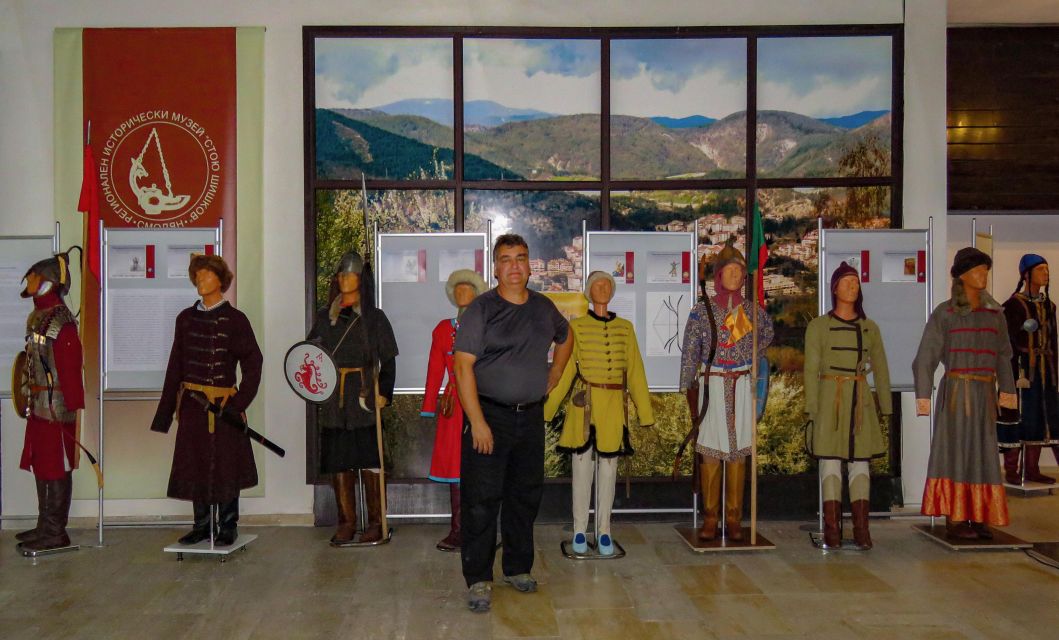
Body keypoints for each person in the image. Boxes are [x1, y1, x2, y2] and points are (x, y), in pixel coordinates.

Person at [454, 234, 572, 613]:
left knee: (524, 496)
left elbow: (566, 337)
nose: (514, 266)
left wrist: (555, 373)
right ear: (495, 268)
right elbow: (462, 367)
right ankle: (478, 577)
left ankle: (518, 567)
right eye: (506, 259)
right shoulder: (481, 309)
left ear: (530, 265)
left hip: (530, 417)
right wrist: (477, 422)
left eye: (520, 258)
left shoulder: (543, 307)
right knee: (481, 501)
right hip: (489, 416)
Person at [151, 255, 263, 546]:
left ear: (221, 280)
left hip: (225, 407)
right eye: (197, 275)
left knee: (227, 466)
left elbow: (254, 363)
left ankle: (228, 525)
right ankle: (201, 525)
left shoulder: (236, 320)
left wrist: (238, 403)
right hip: (193, 407)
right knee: (195, 464)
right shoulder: (185, 319)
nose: (201, 280)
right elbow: (175, 366)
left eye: (207, 275)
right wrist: (165, 413)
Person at [545, 270, 653, 556]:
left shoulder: (625, 329)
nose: (603, 289)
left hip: (613, 406)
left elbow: (635, 371)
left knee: (608, 469)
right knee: (581, 468)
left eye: (607, 285)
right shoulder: (576, 327)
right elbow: (565, 370)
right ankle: (580, 529)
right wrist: (547, 408)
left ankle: (604, 530)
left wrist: (645, 412)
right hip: (583, 405)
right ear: (589, 292)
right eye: (597, 285)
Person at [914, 247, 1017, 540]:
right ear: (962, 276)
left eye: (985, 270)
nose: (983, 276)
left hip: (985, 395)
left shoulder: (995, 315)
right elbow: (925, 358)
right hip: (957, 395)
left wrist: (1007, 394)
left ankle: (980, 514)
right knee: (954, 452)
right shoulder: (945, 313)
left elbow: (1004, 356)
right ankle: (956, 516)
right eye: (977, 271)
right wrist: (923, 396)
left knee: (984, 454)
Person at [679, 240, 773, 542]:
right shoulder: (701, 311)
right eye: (729, 270)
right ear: (719, 275)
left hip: (742, 386)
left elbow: (766, 337)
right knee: (709, 452)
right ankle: (710, 517)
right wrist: (687, 385)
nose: (734, 275)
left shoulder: (753, 312)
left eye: (739, 271)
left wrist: (750, 358)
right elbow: (690, 351)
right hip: (713, 386)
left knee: (737, 453)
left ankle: (733, 518)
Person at [307, 251, 397, 546]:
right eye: (341, 274)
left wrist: (384, 393)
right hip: (335, 399)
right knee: (339, 462)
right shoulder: (325, 317)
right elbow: (311, 353)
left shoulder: (375, 318)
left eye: (350, 274)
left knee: (371, 460)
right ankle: (346, 523)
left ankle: (376, 522)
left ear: (361, 279)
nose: (344, 279)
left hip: (363, 396)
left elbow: (388, 360)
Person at [804, 262, 891, 549]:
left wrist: (885, 406)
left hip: (860, 403)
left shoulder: (869, 328)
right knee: (829, 461)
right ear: (834, 288)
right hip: (830, 400)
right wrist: (812, 408)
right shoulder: (818, 326)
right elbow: (811, 370)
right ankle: (832, 530)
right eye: (847, 282)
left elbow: (881, 368)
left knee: (860, 463)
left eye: (856, 282)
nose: (853, 287)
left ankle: (861, 529)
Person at [13, 250, 84, 552]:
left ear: (47, 281)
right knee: (42, 462)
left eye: (33, 276)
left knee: (56, 465)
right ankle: (45, 524)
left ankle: (55, 531)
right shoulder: (38, 316)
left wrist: (70, 406)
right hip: (39, 402)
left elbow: (70, 366)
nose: (28, 281)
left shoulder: (60, 321)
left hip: (56, 406)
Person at [421, 268, 487, 551]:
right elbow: (435, 370)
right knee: (454, 465)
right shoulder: (442, 330)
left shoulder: (488, 326)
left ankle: (482, 529)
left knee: (483, 464)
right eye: (457, 289)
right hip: (453, 404)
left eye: (467, 289)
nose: (462, 294)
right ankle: (458, 529)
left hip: (483, 400)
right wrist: (429, 405)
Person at [997, 254, 1057, 485]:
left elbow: (1053, 342)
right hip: (1021, 372)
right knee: (1017, 416)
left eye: (1047, 269)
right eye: (1040, 269)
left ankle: (1032, 468)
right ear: (1026, 274)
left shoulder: (1050, 306)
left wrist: (1055, 375)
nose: (1046, 273)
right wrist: (1011, 375)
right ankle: (1012, 470)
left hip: (1045, 372)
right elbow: (1006, 343)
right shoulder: (1012, 306)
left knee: (1040, 418)